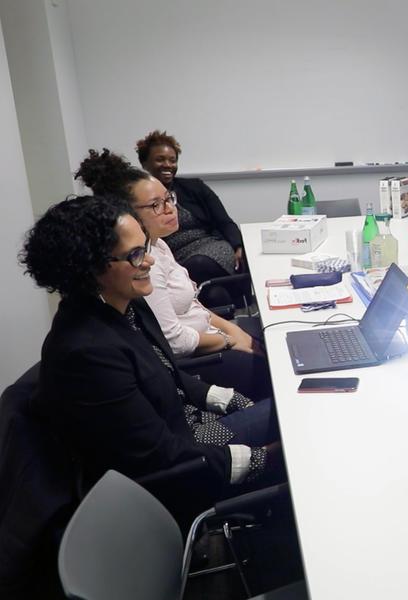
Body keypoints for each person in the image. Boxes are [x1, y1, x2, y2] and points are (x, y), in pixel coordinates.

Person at [19, 196, 281, 506]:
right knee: (299, 425)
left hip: (189, 435)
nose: (149, 261)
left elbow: (167, 376)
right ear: (90, 267)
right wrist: (265, 457)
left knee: (292, 411)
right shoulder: (86, 354)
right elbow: (159, 458)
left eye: (145, 247)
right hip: (186, 471)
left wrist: (228, 398)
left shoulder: (126, 306)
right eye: (135, 254)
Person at [75, 149, 270, 400]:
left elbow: (194, 306)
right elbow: (174, 341)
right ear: (129, 214)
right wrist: (229, 340)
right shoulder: (144, 266)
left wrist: (236, 333)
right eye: (156, 205)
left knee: (277, 343)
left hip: (211, 338)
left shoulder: (158, 244)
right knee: (279, 375)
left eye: (169, 199)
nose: (170, 209)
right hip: (199, 360)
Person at [135, 129, 246, 307]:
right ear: (144, 163)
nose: (168, 165)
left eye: (172, 160)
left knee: (198, 265)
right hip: (173, 257)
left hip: (211, 249)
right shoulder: (138, 198)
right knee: (215, 295)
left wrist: (238, 246)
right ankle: (232, 302)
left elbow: (224, 221)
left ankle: (234, 300)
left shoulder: (194, 187)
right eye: (160, 159)